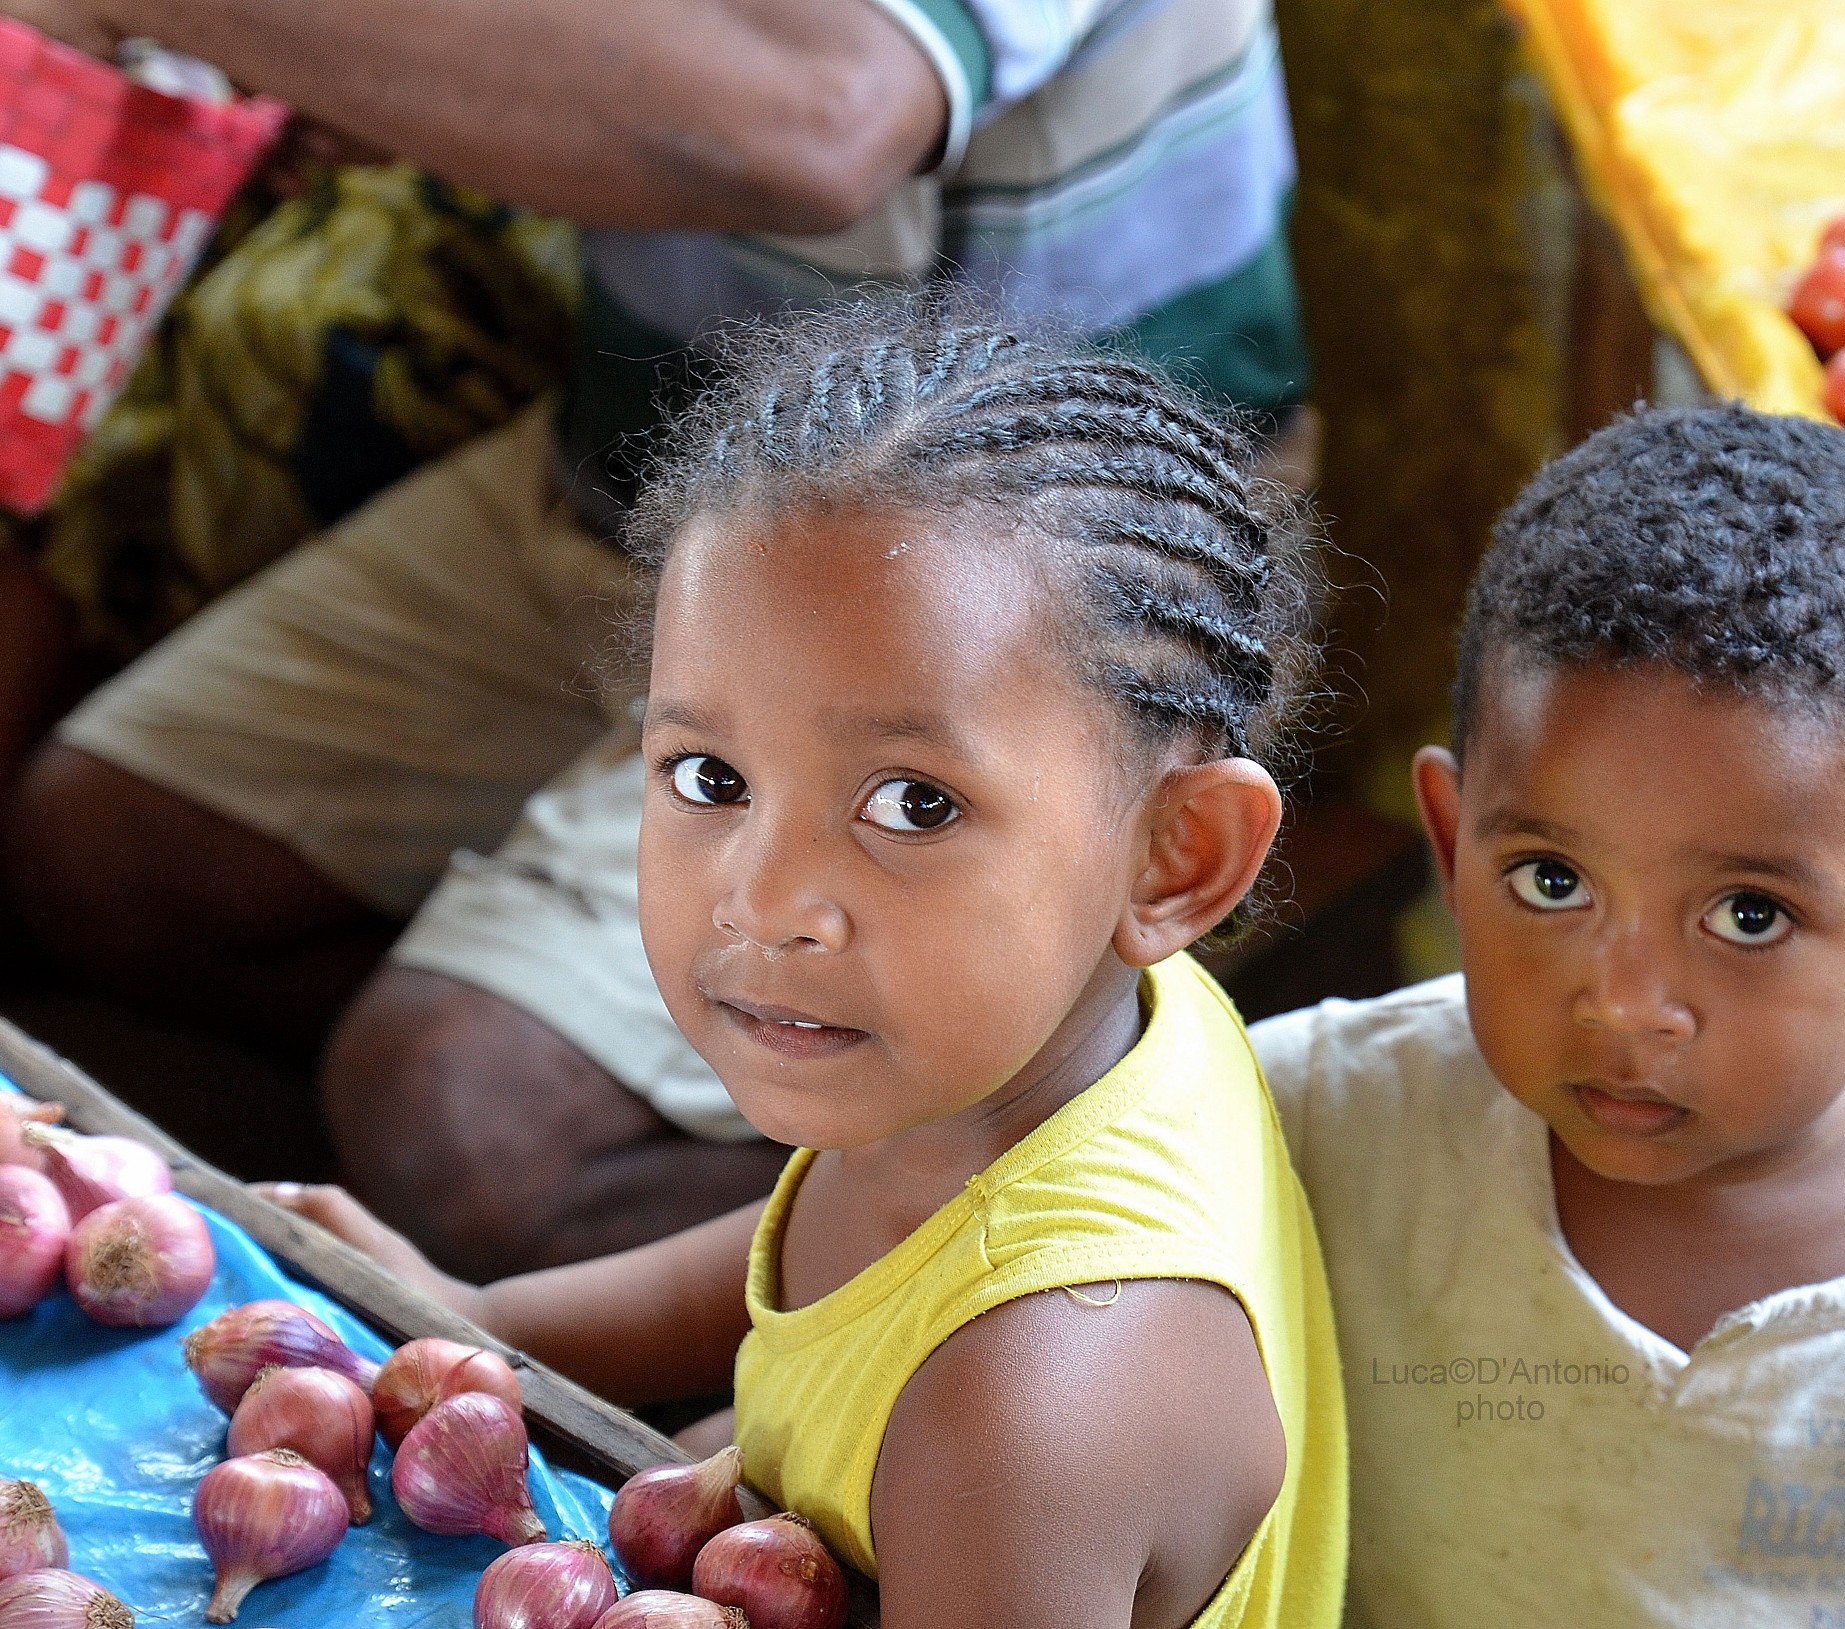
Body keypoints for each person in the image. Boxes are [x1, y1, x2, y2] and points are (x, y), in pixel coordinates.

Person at [3, 0, 1311, 1276]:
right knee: (108, 856)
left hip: (1021, 580)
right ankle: (699, 1105)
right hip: (643, 476)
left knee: (459, 1119)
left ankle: (1060, 1210)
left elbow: (821, 117)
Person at [271, 305, 1345, 1629]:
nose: (767, 900)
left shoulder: (1025, 1416)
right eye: (709, 777)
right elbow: (826, 1237)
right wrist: (481, 1316)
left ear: (1175, 857)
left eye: (914, 805)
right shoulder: (1033, 1048)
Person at [1248, 408, 1845, 1627]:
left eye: (1750, 916)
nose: (1624, 1003)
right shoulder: (1303, 1131)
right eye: (1552, 881)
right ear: (1453, 848)